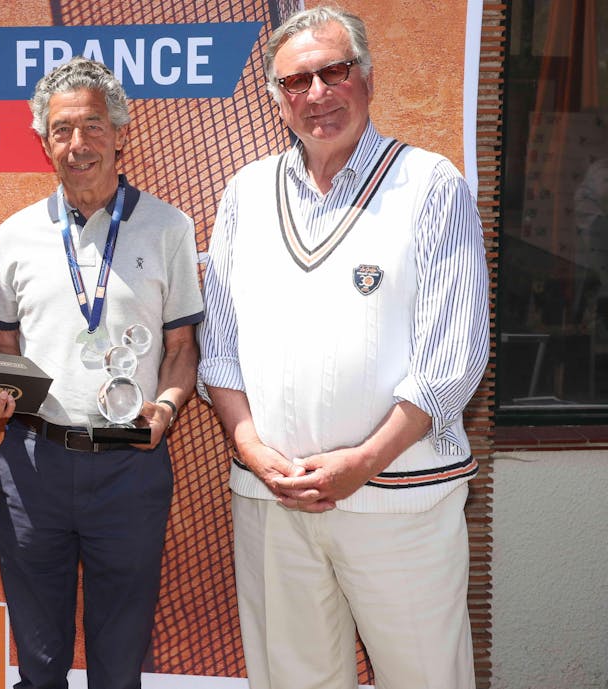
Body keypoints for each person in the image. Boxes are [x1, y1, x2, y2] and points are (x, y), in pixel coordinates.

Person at [197, 7, 489, 689]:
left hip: (399, 503)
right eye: (297, 81)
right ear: (276, 99)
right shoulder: (246, 192)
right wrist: (255, 452)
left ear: (368, 77)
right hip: (273, 502)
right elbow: (218, 345)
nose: (318, 93)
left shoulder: (430, 185)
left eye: (335, 70)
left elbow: (451, 360)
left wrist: (364, 460)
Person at [0, 57, 202, 689]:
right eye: (63, 130)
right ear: (44, 142)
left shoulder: (168, 228)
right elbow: (3, 344)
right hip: (34, 466)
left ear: (121, 133)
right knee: (39, 666)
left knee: (118, 665)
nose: (79, 144)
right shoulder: (16, 234)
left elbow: (183, 346)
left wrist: (168, 406)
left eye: (94, 126)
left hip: (130, 468)